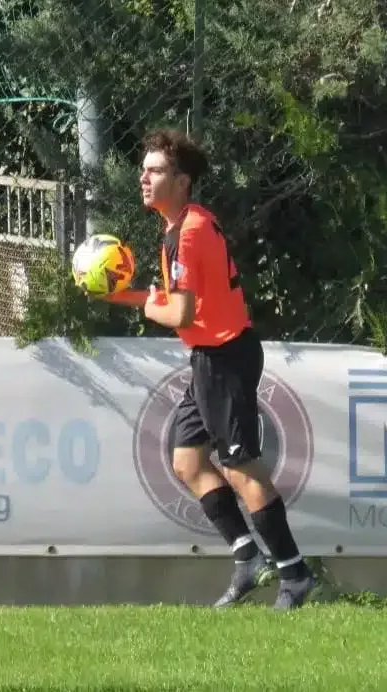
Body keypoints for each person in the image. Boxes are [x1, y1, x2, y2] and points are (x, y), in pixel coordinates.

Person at [105, 129, 316, 610]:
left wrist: (140, 306)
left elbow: (177, 314)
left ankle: (295, 574)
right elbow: (179, 305)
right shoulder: (180, 226)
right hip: (209, 359)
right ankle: (247, 558)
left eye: (155, 170)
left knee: (241, 468)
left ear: (181, 181)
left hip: (225, 358)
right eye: (144, 168)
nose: (143, 177)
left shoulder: (191, 231)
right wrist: (128, 295)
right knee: (188, 462)